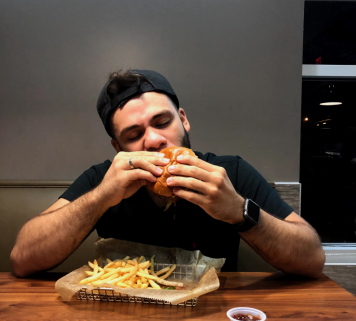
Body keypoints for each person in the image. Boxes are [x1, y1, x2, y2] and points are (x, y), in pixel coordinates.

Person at [10, 69, 325, 277]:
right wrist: (101, 198)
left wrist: (239, 212)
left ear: (183, 120)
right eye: (133, 135)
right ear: (117, 147)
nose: (154, 139)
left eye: (162, 122)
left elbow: (312, 258)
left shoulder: (229, 173)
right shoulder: (103, 180)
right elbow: (22, 258)